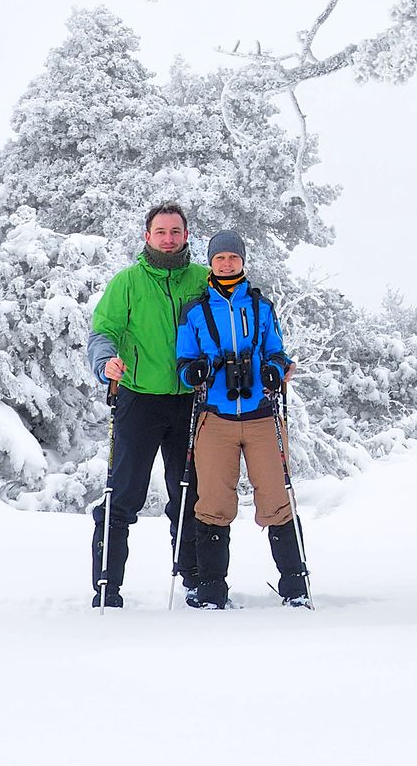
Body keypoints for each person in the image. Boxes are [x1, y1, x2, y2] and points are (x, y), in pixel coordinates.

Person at [175, 228, 311, 610]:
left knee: (276, 498)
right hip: (215, 417)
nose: (227, 263)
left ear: (242, 261)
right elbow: (182, 363)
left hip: (261, 416)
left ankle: (295, 589)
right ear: (211, 263)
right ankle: (212, 592)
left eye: (233, 258)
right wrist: (196, 372)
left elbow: (278, 353)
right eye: (220, 258)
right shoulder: (195, 311)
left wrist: (273, 368)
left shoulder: (260, 307)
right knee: (213, 502)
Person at [85, 202, 211, 608]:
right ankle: (107, 585)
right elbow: (103, 331)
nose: (169, 238)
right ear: (147, 236)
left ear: (186, 236)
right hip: (139, 399)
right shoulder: (128, 282)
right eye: (161, 231)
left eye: (176, 231)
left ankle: (192, 578)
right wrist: (106, 363)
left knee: (189, 493)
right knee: (123, 493)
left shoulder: (204, 280)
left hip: (192, 402)